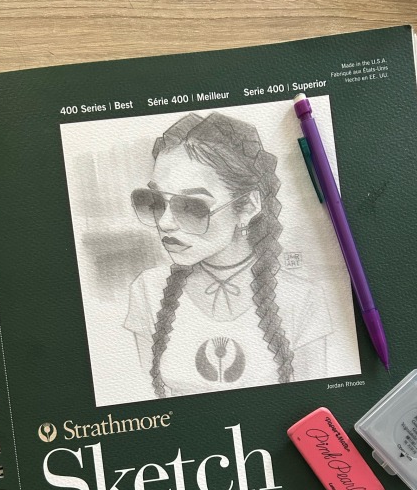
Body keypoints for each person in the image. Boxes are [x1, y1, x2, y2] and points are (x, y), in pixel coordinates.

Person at [124, 111, 333, 399]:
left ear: (247, 206)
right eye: (155, 201)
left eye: (191, 206)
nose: (165, 222)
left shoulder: (302, 299)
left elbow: (316, 404)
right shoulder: (148, 290)